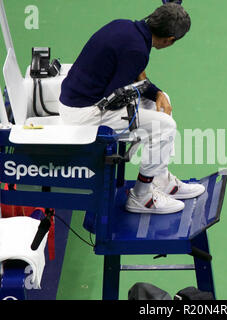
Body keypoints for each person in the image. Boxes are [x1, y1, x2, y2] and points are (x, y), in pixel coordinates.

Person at [58, 3, 205, 214]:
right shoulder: (137, 51)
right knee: (165, 127)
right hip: (84, 115)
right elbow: (116, 96)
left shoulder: (125, 26)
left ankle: (160, 179)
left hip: (77, 100)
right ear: (170, 40)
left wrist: (157, 93)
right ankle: (142, 196)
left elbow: (133, 77)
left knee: (160, 103)